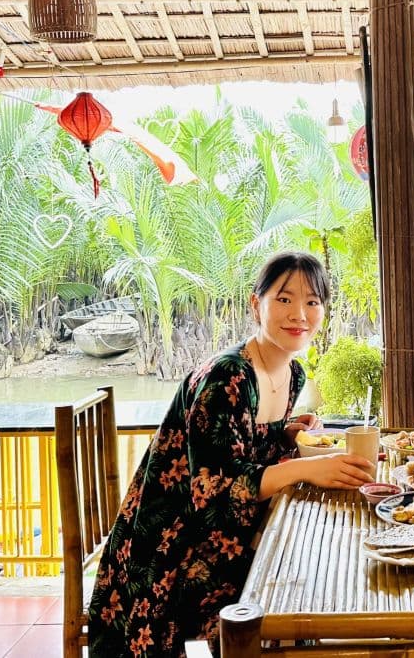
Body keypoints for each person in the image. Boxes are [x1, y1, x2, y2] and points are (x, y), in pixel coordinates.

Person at [87, 252, 375, 658]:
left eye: (313, 301)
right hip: (173, 552)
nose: (300, 314)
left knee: (309, 564)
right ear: (256, 305)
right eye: (285, 299)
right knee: (299, 583)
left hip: (231, 533)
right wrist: (307, 467)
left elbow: (246, 448)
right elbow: (213, 489)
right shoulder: (228, 375)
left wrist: (289, 433)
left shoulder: (292, 374)